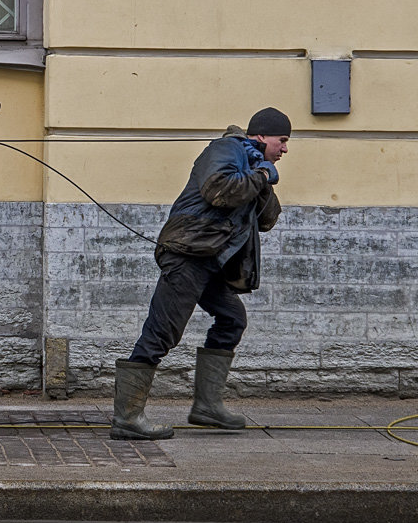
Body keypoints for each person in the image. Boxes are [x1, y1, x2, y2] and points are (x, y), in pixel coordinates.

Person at [111, 107, 290, 441]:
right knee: (162, 333)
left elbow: (266, 221)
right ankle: (127, 417)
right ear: (261, 136)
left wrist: (262, 178)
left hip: (211, 263)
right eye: (281, 141)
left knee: (232, 319)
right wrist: (261, 176)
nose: (285, 149)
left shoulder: (252, 165)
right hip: (187, 255)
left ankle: (207, 407)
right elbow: (218, 191)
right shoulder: (225, 150)